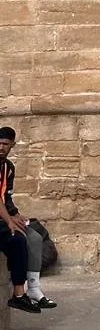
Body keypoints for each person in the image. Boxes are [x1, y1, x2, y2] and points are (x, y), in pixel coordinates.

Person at [0, 126, 56, 312]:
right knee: (18, 238)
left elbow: (5, 197)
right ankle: (20, 293)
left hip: (3, 216)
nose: (1, 147)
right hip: (2, 219)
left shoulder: (8, 168)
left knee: (32, 237)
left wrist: (15, 214)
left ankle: (32, 290)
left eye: (5, 144)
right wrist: (9, 220)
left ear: (12, 146)